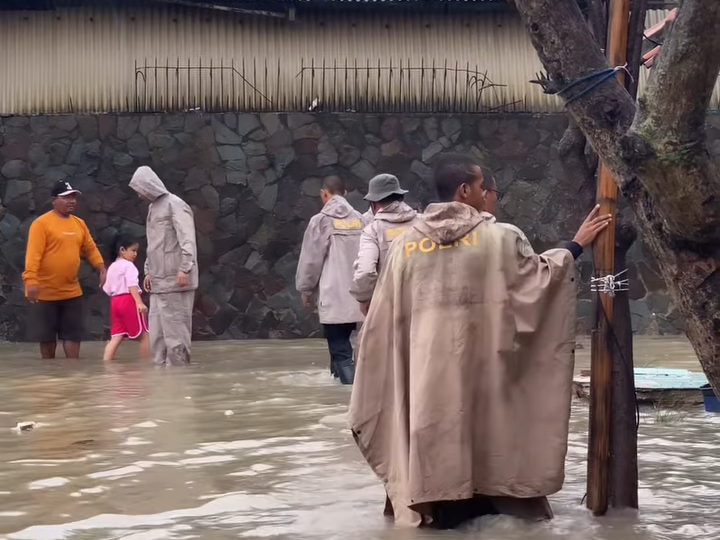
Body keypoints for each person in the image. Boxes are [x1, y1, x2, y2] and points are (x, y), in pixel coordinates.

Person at [349, 154, 611, 528]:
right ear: (466, 190)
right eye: (488, 190)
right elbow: (537, 282)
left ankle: (429, 499)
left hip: (424, 381)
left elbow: (382, 324)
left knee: (429, 435)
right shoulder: (501, 238)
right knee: (493, 429)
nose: (492, 198)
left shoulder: (404, 247)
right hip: (486, 375)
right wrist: (575, 246)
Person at [23, 180, 106, 359]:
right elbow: (33, 255)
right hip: (45, 294)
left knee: (73, 336)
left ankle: (72, 372)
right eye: (66, 197)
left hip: (71, 293)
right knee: (47, 339)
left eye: (74, 197)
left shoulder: (79, 224)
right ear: (54, 200)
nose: (72, 201)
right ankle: (50, 373)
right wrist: (31, 281)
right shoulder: (41, 224)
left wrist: (100, 267)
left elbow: (90, 248)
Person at [296, 175, 364, 385]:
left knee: (339, 348)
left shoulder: (321, 221)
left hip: (333, 296)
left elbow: (311, 260)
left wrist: (305, 289)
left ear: (325, 194)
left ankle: (349, 391)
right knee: (347, 348)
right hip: (359, 297)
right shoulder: (361, 219)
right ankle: (337, 390)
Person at [129, 166, 198, 366]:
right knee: (157, 337)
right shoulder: (153, 208)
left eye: (139, 189)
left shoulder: (176, 205)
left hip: (177, 281)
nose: (139, 195)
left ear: (148, 185)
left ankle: (179, 380)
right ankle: (162, 383)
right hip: (159, 284)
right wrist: (148, 271)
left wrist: (185, 268)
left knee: (176, 336)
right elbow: (154, 244)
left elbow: (187, 239)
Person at [350, 173, 418, 315]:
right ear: (401, 197)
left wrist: (363, 299)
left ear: (373, 204)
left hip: (388, 307)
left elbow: (366, 271)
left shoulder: (373, 231)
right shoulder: (423, 223)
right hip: (423, 303)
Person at [102, 234, 150, 361]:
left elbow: (106, 289)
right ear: (122, 250)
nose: (135, 254)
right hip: (129, 301)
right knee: (144, 335)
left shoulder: (112, 266)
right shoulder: (129, 266)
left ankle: (107, 364)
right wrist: (139, 303)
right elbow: (132, 285)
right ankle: (147, 365)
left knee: (116, 336)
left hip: (115, 302)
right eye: (133, 250)